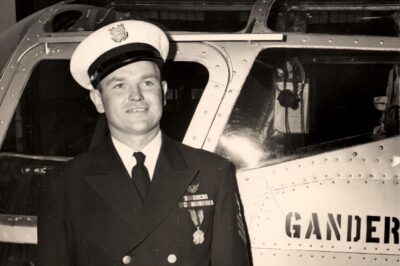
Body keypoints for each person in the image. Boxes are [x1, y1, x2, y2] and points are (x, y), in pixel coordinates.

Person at [37, 20, 250, 266]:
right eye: (119, 85)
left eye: (147, 82)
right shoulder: (64, 184)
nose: (136, 95)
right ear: (98, 100)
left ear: (163, 91)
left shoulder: (212, 172)